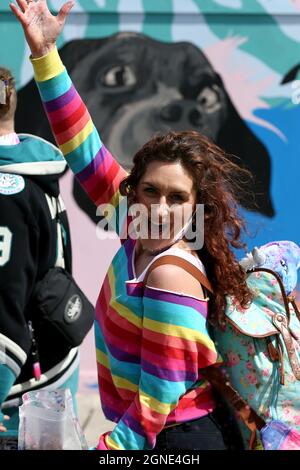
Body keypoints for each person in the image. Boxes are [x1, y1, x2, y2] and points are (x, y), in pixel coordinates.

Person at [11, 0, 254, 450]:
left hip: (180, 440)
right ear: (132, 192)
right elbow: (82, 144)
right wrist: (45, 53)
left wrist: (109, 451)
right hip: (162, 431)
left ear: (197, 206)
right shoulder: (134, 229)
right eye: (151, 191)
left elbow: (157, 402)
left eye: (178, 197)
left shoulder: (169, 276)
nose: (161, 207)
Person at [0, 64, 79, 449]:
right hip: (42, 387)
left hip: (14, 405)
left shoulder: (5, 194)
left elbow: (4, 319)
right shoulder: (30, 170)